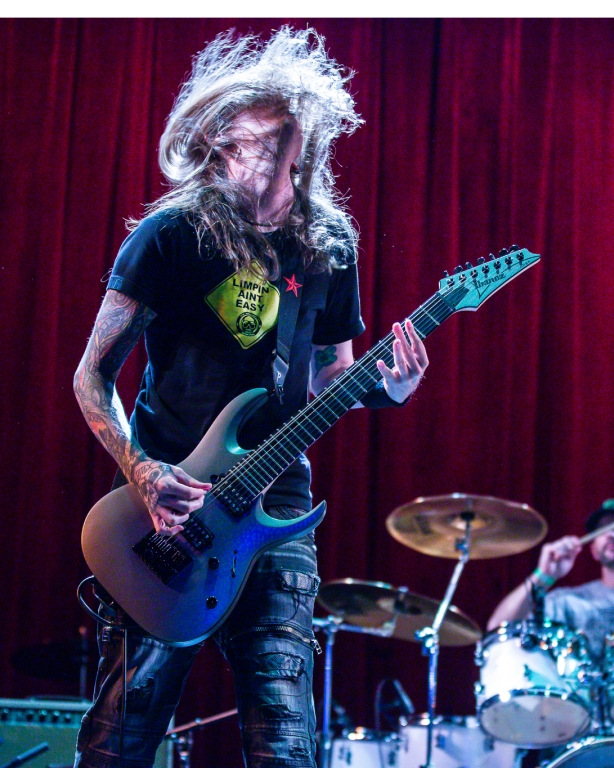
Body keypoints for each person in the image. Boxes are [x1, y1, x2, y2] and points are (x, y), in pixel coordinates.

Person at [72, 28, 428, 768]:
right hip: (167, 508)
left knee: (285, 745)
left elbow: (334, 376)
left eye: (284, 134)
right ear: (219, 140)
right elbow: (91, 377)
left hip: (277, 514)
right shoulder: (171, 235)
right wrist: (144, 475)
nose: (267, 151)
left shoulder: (327, 244)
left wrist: (388, 389)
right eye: (252, 134)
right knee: (121, 741)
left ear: (306, 140)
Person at [487, 500, 614, 659]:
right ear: (593, 550)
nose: (611, 533)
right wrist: (543, 576)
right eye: (604, 528)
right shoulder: (570, 602)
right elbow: (499, 627)